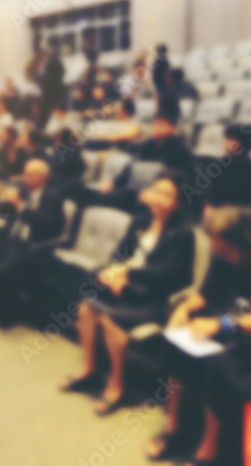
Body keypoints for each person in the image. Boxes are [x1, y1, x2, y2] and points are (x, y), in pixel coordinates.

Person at [146, 207, 251, 464]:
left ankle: (209, 449)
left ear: (245, 243)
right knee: (175, 344)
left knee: (219, 363)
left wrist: (222, 324)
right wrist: (183, 309)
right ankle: (175, 429)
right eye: (217, 249)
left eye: (225, 250)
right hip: (229, 331)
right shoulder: (223, 257)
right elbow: (204, 293)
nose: (219, 254)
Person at [60, 173, 195, 416]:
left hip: (152, 296)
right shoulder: (141, 221)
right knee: (86, 308)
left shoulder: (183, 234)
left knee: (110, 321)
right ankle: (88, 369)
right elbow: (119, 254)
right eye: (156, 191)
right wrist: (113, 271)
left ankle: (116, 386)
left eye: (167, 195)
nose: (158, 198)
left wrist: (127, 277)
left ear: (178, 201)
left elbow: (168, 275)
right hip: (123, 286)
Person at [0, 159, 66, 325]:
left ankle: (5, 315)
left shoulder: (54, 196)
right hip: (10, 237)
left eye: (30, 175)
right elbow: (8, 214)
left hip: (31, 244)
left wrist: (20, 206)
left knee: (2, 269)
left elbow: (49, 224)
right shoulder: (24, 192)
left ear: (43, 178)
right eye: (25, 174)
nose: (25, 178)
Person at [204, 125, 251, 211]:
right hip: (216, 215)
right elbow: (208, 199)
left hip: (242, 216)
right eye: (227, 139)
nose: (226, 143)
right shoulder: (215, 167)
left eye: (232, 140)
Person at [35, 48, 66, 129]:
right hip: (54, 99)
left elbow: (40, 78)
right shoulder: (57, 64)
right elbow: (63, 72)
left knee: (43, 122)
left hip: (47, 102)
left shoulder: (48, 66)